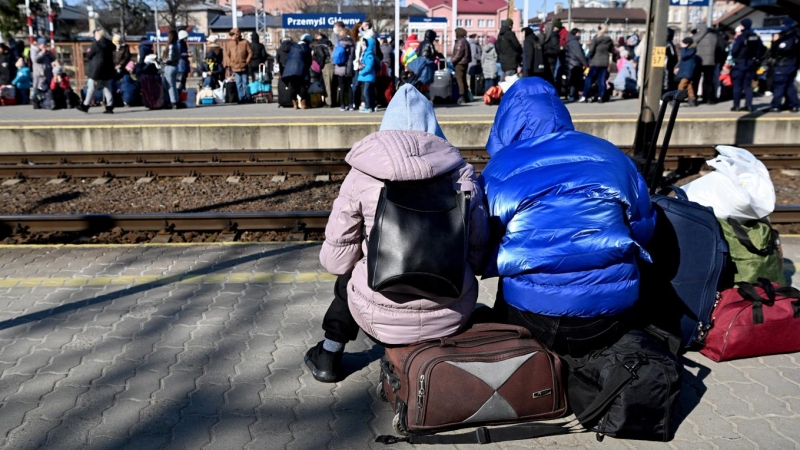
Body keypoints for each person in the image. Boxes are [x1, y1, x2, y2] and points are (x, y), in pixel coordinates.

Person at [304, 84, 489, 382]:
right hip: (451, 312)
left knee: (350, 270)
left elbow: (335, 261)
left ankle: (329, 354)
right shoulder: (463, 174)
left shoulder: (363, 174)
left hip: (379, 317)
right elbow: (479, 258)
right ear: (433, 126)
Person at [481, 77, 655, 357]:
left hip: (531, 316)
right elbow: (643, 226)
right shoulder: (610, 154)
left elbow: (485, 242)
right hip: (609, 316)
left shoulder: (499, 168)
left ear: (504, 122)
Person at [78, 29, 115, 113]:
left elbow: (89, 55)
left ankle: (85, 105)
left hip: (97, 70)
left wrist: (88, 51)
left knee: (91, 88)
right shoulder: (110, 44)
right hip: (108, 70)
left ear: (99, 35)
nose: (94, 36)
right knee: (107, 88)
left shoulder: (96, 45)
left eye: (95, 34)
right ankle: (110, 106)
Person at [730, 18, 763, 112]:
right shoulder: (756, 37)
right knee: (748, 86)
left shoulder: (741, 37)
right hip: (751, 64)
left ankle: (736, 106)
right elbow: (760, 49)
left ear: (743, 26)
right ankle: (749, 106)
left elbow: (734, 50)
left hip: (740, 63)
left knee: (737, 86)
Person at [768, 18, 799, 113]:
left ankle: (775, 105)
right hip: (793, 64)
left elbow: (780, 50)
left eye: (783, 25)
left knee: (779, 85)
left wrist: (776, 42)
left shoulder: (788, 37)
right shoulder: (796, 36)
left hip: (784, 64)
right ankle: (794, 105)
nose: (782, 27)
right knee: (789, 85)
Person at [580, 24, 613, 103]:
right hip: (605, 62)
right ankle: (600, 97)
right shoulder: (609, 40)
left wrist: (588, 58)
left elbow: (591, 50)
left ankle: (585, 96)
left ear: (599, 29)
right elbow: (611, 50)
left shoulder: (595, 39)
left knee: (589, 79)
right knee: (602, 80)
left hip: (595, 61)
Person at [282, 34, 312, 109]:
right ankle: (303, 103)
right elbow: (309, 61)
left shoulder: (292, 46)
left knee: (293, 86)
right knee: (303, 86)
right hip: (301, 69)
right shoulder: (307, 48)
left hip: (290, 69)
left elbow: (285, 49)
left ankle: (294, 103)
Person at [224, 28, 253, 104]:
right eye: (231, 35)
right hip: (234, 66)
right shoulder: (230, 44)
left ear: (237, 35)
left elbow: (250, 52)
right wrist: (230, 63)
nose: (231, 36)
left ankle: (248, 97)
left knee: (246, 83)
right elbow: (227, 54)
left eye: (232, 35)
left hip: (244, 65)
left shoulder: (245, 42)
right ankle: (241, 98)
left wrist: (247, 61)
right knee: (238, 84)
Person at [694, 23, 719, 104]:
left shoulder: (697, 36)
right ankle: (708, 99)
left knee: (696, 80)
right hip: (710, 61)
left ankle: (694, 98)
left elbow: (690, 43)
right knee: (708, 81)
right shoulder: (714, 36)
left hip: (698, 60)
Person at [333, 27, 355, 111]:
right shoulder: (352, 43)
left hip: (339, 67)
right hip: (349, 67)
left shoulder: (338, 43)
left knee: (341, 87)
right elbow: (353, 56)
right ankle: (350, 105)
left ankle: (342, 105)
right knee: (349, 87)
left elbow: (333, 56)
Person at [159, 30, 182, 109]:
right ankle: (175, 101)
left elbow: (170, 57)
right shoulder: (177, 44)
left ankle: (173, 102)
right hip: (175, 66)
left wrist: (162, 61)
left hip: (170, 66)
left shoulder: (171, 45)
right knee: (172, 85)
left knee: (169, 86)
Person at [356, 35, 378, 113]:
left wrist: (362, 71)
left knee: (366, 92)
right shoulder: (365, 53)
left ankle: (368, 107)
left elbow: (369, 66)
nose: (363, 46)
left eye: (364, 44)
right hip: (366, 77)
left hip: (368, 76)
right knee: (368, 92)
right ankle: (371, 106)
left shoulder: (369, 54)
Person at [313, 33, 335, 107]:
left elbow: (322, 55)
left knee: (327, 85)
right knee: (333, 84)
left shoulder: (319, 45)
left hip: (326, 65)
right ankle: (335, 101)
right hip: (333, 64)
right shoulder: (329, 43)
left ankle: (328, 102)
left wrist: (320, 65)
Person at [30, 37, 54, 104]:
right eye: (43, 45)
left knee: (47, 88)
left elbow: (53, 59)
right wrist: (42, 53)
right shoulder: (34, 50)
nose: (44, 46)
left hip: (48, 72)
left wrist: (50, 53)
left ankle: (46, 100)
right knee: (38, 88)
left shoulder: (46, 52)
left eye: (45, 45)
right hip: (39, 74)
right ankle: (34, 100)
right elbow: (35, 60)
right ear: (39, 45)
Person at [566, 28, 587, 101]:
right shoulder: (574, 42)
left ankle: (572, 95)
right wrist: (585, 63)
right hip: (575, 63)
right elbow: (579, 54)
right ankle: (572, 95)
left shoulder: (570, 41)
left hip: (571, 62)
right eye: (579, 33)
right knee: (575, 80)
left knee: (573, 80)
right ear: (575, 33)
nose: (580, 35)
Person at [451, 27, 471, 104]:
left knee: (460, 80)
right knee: (463, 79)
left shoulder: (460, 42)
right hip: (464, 63)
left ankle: (462, 96)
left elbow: (458, 54)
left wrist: (452, 61)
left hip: (460, 63)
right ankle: (465, 96)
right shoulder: (465, 41)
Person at [676, 37, 698, 107]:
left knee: (681, 86)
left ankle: (676, 99)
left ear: (687, 44)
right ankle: (692, 99)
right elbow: (682, 61)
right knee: (689, 86)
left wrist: (683, 48)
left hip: (687, 71)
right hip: (685, 70)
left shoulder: (691, 50)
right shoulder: (688, 50)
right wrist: (678, 67)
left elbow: (684, 56)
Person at [664, 28, 678, 92]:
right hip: (668, 63)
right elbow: (673, 55)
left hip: (667, 63)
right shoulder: (669, 44)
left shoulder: (667, 43)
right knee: (667, 78)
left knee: (667, 78)